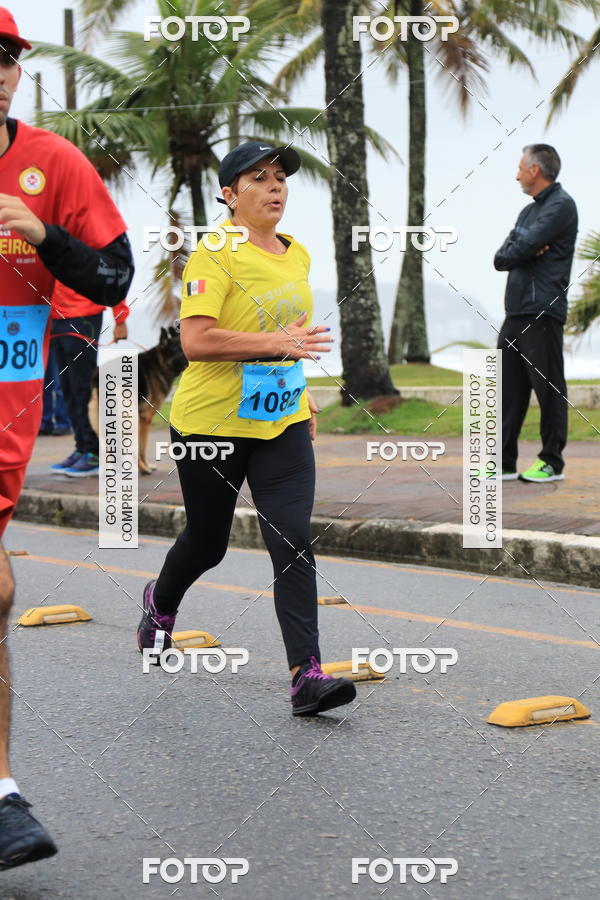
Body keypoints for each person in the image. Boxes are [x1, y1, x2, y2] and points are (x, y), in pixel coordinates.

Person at [137, 141, 357, 716]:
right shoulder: (214, 254)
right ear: (229, 195)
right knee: (207, 543)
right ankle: (160, 603)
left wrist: (302, 394)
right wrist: (277, 343)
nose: (275, 186)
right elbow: (196, 341)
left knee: (292, 540)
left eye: (280, 176)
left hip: (279, 423)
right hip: (211, 427)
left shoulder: (297, 253)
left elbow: (295, 339)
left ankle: (305, 675)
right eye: (259, 178)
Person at [0, 8, 134, 868]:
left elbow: (115, 271)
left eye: (5, 58)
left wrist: (43, 235)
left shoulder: (53, 163)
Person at [494, 144, 577, 482]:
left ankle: (551, 462)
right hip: (515, 312)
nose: (516, 175)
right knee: (507, 388)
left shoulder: (561, 206)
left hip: (542, 311)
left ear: (535, 170)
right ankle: (504, 462)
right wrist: (523, 249)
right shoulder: (528, 213)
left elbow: (521, 248)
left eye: (519, 168)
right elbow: (501, 258)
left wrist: (523, 248)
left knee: (548, 388)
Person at [49, 281, 129, 477]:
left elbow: (113, 274)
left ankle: (95, 453)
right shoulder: (48, 250)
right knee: (67, 388)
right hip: (56, 318)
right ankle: (82, 447)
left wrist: (120, 318)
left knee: (83, 388)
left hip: (83, 316)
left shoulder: (93, 248)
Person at [39, 339, 71, 436]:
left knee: (59, 385)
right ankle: (45, 422)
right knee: (44, 385)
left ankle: (63, 423)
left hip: (59, 337)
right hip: (45, 340)